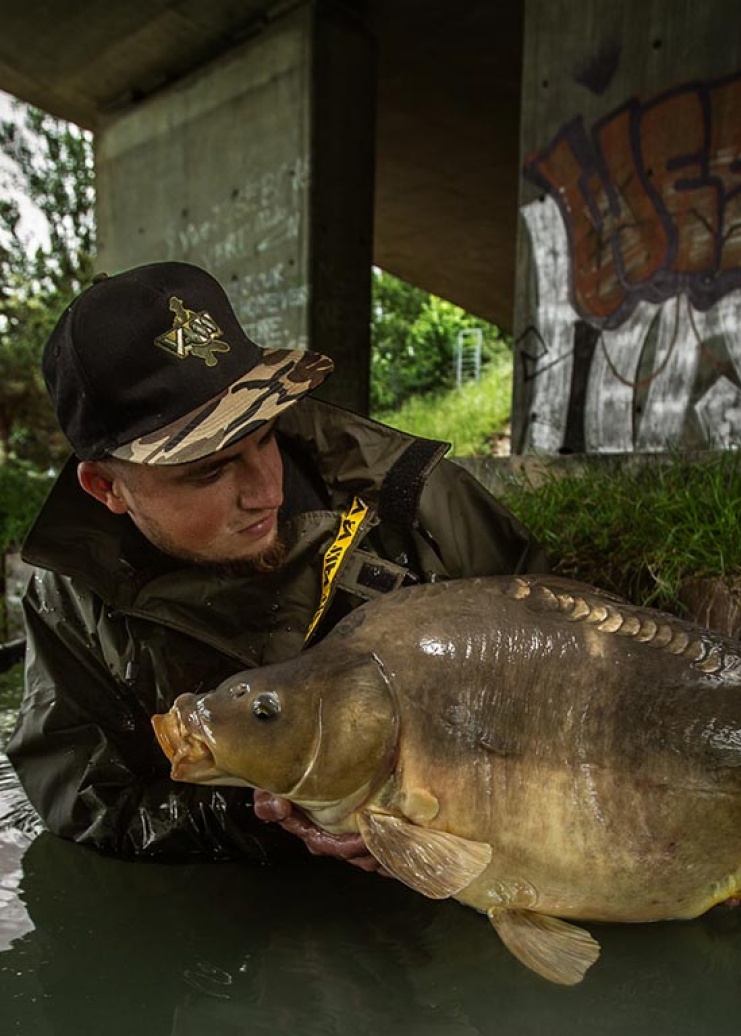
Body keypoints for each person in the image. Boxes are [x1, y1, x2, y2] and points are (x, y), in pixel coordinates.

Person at [6, 261, 549, 866]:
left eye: (265, 436)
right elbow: (88, 802)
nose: (265, 489)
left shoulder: (417, 503)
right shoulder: (71, 605)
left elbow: (567, 683)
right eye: (209, 469)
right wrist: (267, 813)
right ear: (106, 487)